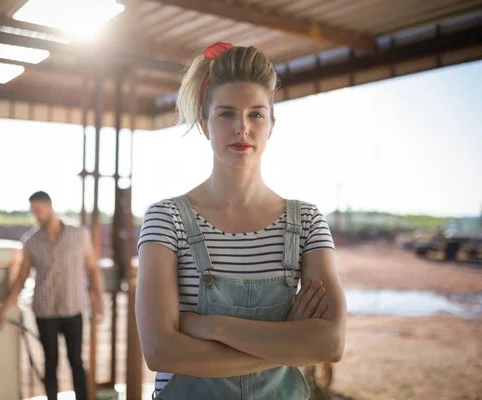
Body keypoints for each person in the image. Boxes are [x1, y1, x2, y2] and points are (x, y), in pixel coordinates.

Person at [135, 42, 347, 399]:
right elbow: (161, 352)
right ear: (204, 124)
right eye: (226, 114)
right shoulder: (166, 219)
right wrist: (287, 343)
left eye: (256, 114)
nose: (242, 128)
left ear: (272, 125)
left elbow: (329, 343)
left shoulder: (307, 222)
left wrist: (212, 326)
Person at [0, 191, 106, 400]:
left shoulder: (78, 234)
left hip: (73, 308)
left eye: (38, 210)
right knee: (50, 362)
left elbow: (92, 268)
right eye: (33, 211)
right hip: (44, 311)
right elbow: (21, 278)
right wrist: (5, 308)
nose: (36, 215)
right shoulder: (31, 242)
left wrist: (99, 302)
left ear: (50, 206)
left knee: (76, 361)